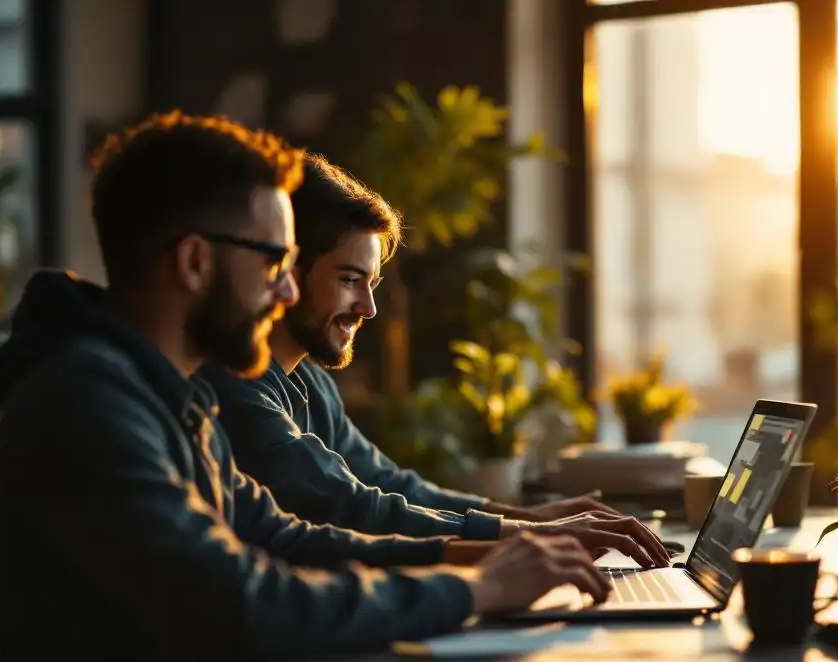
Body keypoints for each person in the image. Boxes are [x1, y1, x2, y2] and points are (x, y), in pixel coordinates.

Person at [0, 112, 610, 662]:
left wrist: (494, 560)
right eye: (274, 261)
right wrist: (478, 587)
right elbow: (243, 603)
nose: (286, 288)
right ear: (195, 262)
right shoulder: (87, 406)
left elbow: (284, 538)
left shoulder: (169, 394)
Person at [198, 153, 668, 567]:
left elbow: (388, 482)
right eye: (348, 279)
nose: (368, 308)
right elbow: (352, 505)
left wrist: (531, 517)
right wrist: (531, 534)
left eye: (372, 285)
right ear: (287, 270)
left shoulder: (311, 380)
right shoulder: (234, 387)